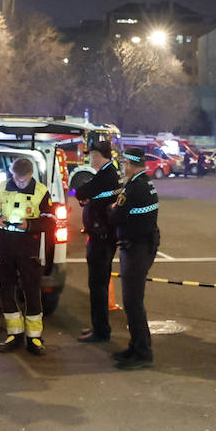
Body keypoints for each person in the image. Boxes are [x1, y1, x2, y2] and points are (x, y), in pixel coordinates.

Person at [0, 157, 51, 356]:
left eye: (24, 181)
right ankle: (14, 334)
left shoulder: (41, 191)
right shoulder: (1, 188)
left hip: (29, 249)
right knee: (6, 291)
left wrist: (30, 225)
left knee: (32, 292)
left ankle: (34, 337)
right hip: (5, 247)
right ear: (12, 174)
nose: (20, 183)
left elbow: (50, 220)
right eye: (17, 180)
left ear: (31, 175)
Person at [111, 145, 160, 369]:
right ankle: (136, 346)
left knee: (133, 302)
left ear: (130, 165)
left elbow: (116, 216)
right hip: (142, 245)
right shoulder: (144, 183)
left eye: (124, 164)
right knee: (132, 302)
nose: (123, 167)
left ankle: (143, 353)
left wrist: (112, 207)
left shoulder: (133, 189)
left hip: (136, 248)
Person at [73, 139, 121, 343]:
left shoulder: (106, 174)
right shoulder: (109, 173)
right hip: (102, 236)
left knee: (97, 284)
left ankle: (101, 330)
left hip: (101, 237)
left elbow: (82, 191)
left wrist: (85, 197)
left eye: (92, 155)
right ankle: (99, 326)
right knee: (98, 284)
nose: (89, 158)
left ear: (101, 156)